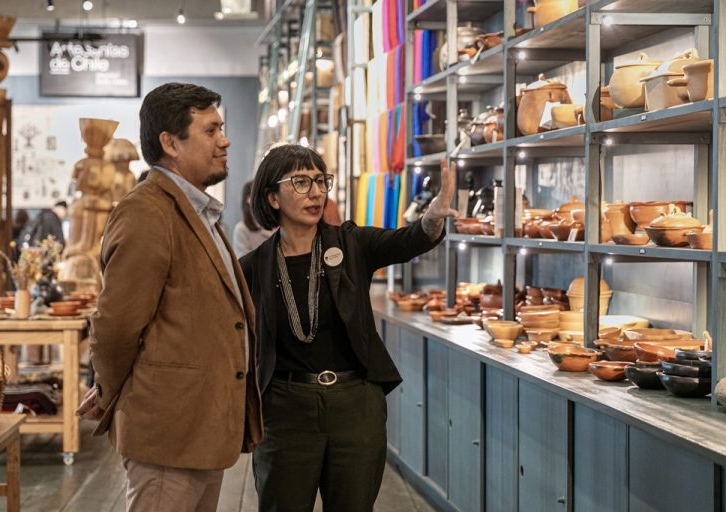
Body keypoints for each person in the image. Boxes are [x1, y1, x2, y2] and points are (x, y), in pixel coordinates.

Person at [75, 82, 263, 512]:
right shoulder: (147, 211)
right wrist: (107, 389)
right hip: (168, 433)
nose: (224, 141)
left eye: (221, 129)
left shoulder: (195, 210)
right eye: (211, 130)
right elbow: (117, 325)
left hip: (198, 429)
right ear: (171, 143)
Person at [239, 144, 456, 511]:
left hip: (355, 405)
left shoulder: (351, 244)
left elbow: (407, 241)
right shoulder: (252, 267)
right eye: (301, 182)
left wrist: (432, 218)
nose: (316, 192)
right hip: (285, 410)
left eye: (321, 181)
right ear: (272, 198)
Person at [232, 180, 273, 258]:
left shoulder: (272, 223)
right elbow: (242, 260)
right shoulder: (241, 229)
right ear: (248, 199)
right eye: (258, 195)